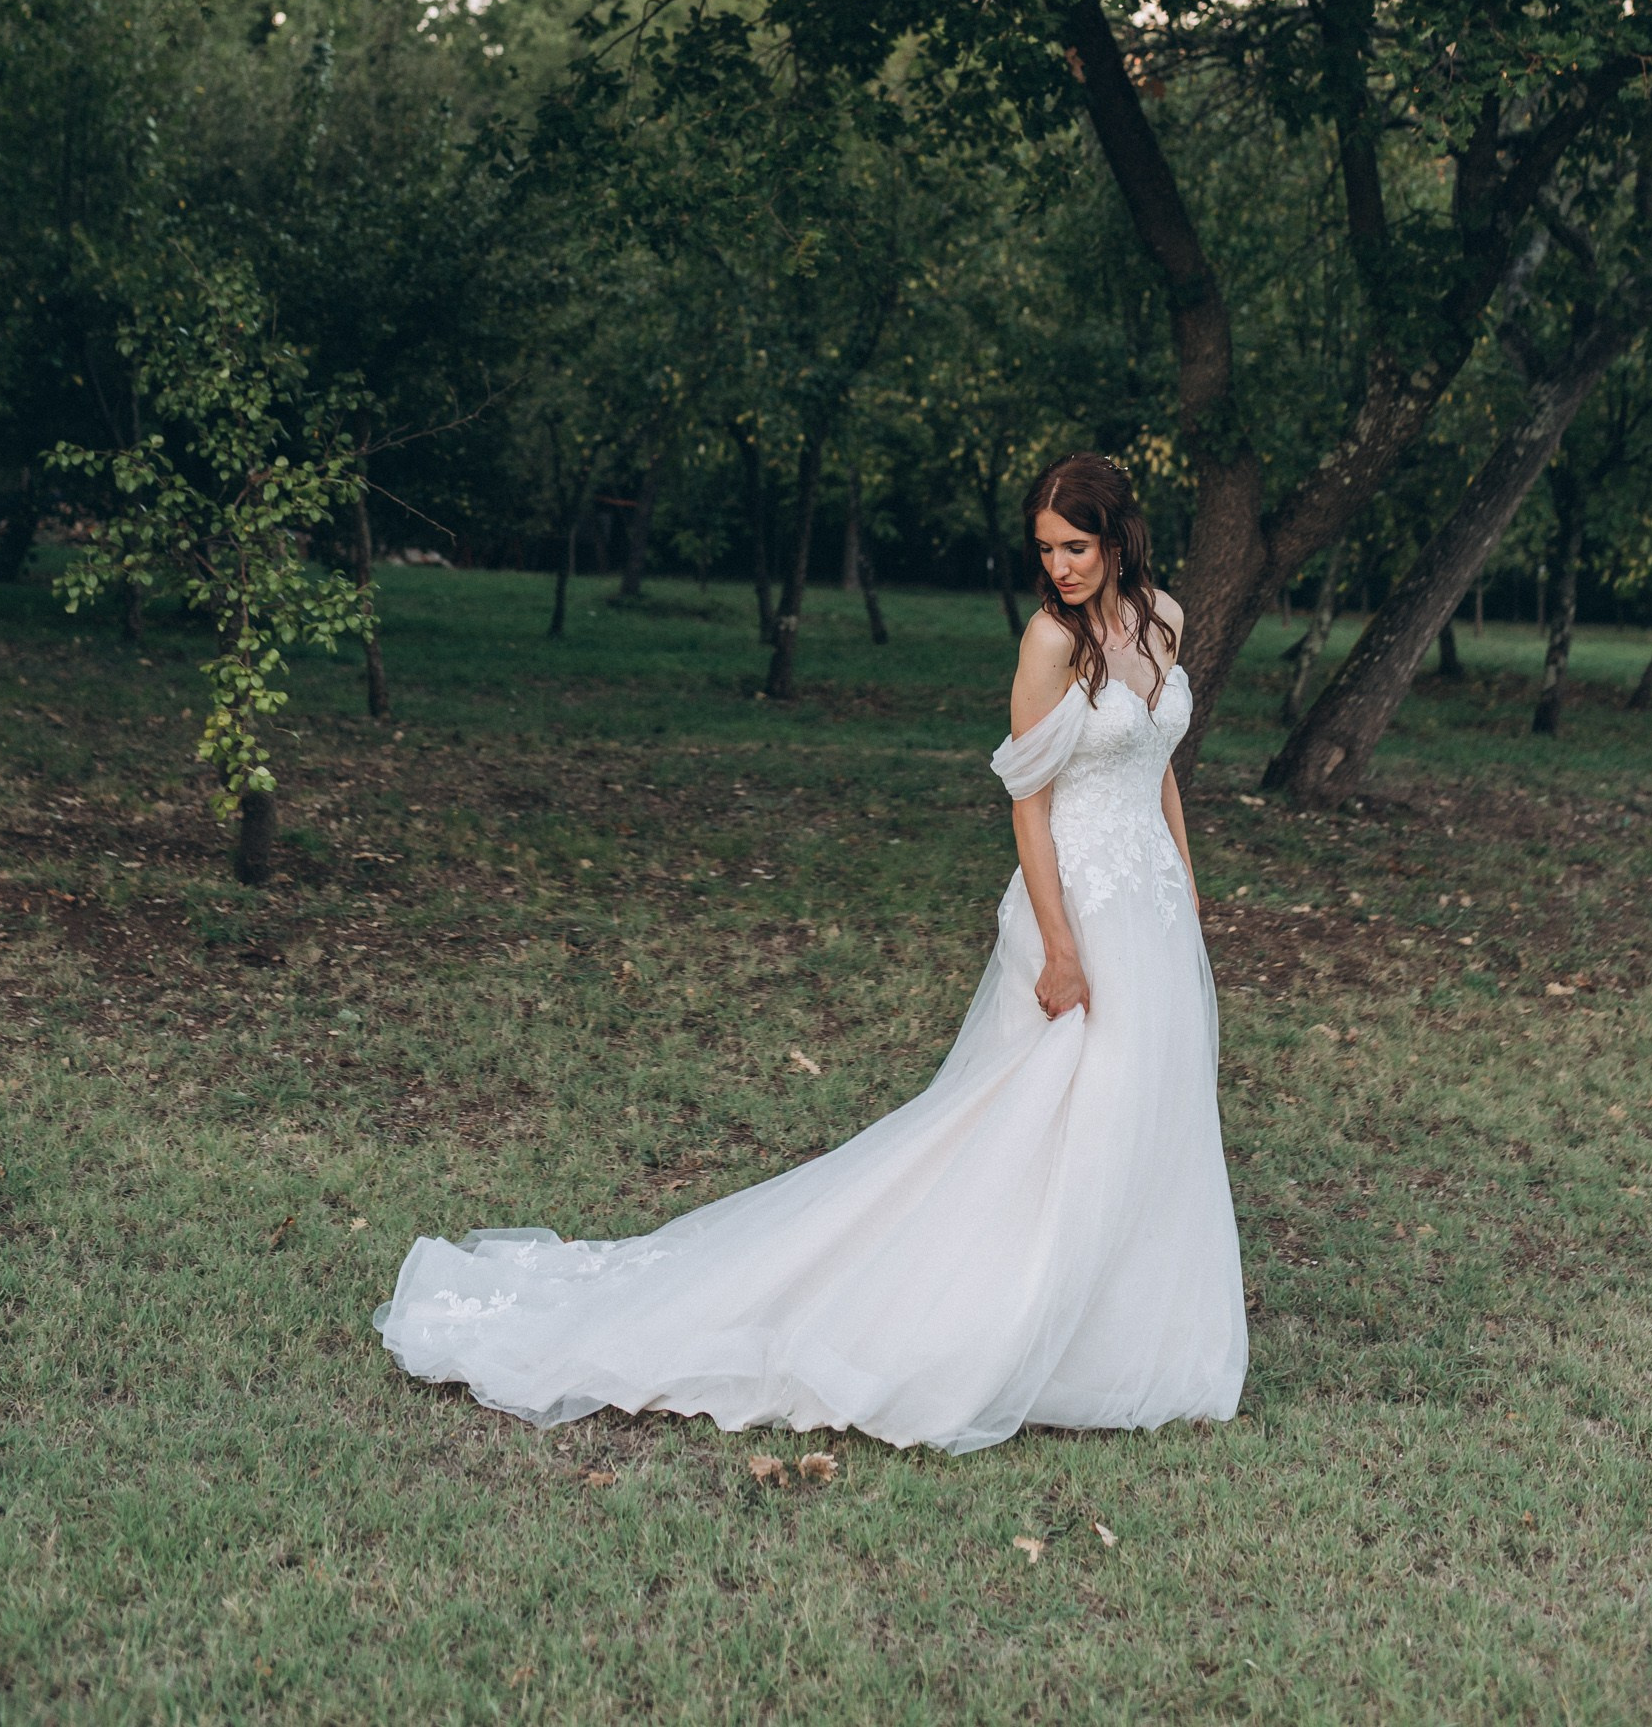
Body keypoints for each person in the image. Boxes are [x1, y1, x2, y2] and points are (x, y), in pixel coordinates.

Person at [373, 450, 1246, 1453]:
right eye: (1045, 549)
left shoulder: (1164, 619)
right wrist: (1057, 947)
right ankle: (995, 1323)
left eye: (1076, 547)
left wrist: (1184, 877)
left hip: (1147, 906)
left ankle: (1125, 1341)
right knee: (1048, 1120)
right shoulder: (1048, 639)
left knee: (1146, 1110)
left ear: (1117, 536)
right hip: (1074, 904)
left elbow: (1157, 764)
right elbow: (1029, 806)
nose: (1059, 567)